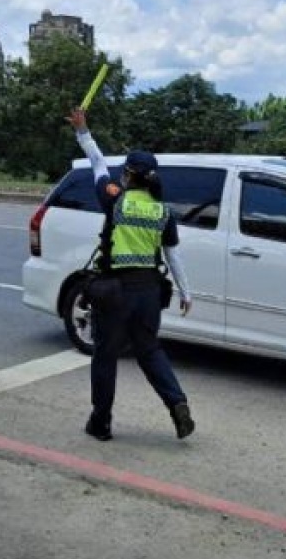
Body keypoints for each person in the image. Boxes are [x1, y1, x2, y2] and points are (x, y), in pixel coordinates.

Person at [68, 106, 195, 442]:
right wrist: (186, 293)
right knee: (150, 351)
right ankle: (178, 404)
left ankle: (101, 423)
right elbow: (173, 254)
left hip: (115, 293)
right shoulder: (163, 211)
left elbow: (97, 164)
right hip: (149, 294)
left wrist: (83, 131)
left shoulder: (116, 201)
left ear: (128, 174)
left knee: (106, 356)